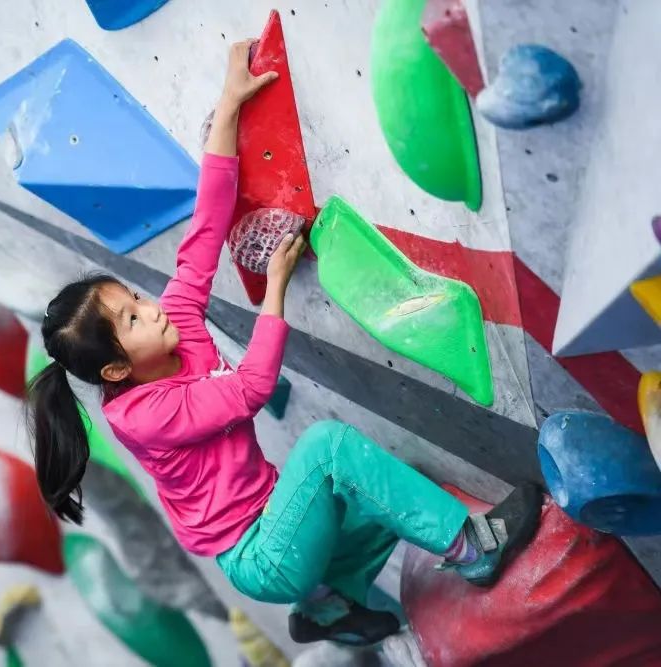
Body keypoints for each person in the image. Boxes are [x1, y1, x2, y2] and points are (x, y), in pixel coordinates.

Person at [27, 39, 541, 646]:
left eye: (136, 299)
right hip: (261, 555)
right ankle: (472, 548)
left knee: (384, 487)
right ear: (115, 371)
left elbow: (206, 228)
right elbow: (250, 391)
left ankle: (328, 606)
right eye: (132, 320)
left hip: (281, 520)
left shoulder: (178, 326)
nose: (152, 308)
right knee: (327, 449)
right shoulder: (144, 415)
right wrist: (273, 288)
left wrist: (229, 106)